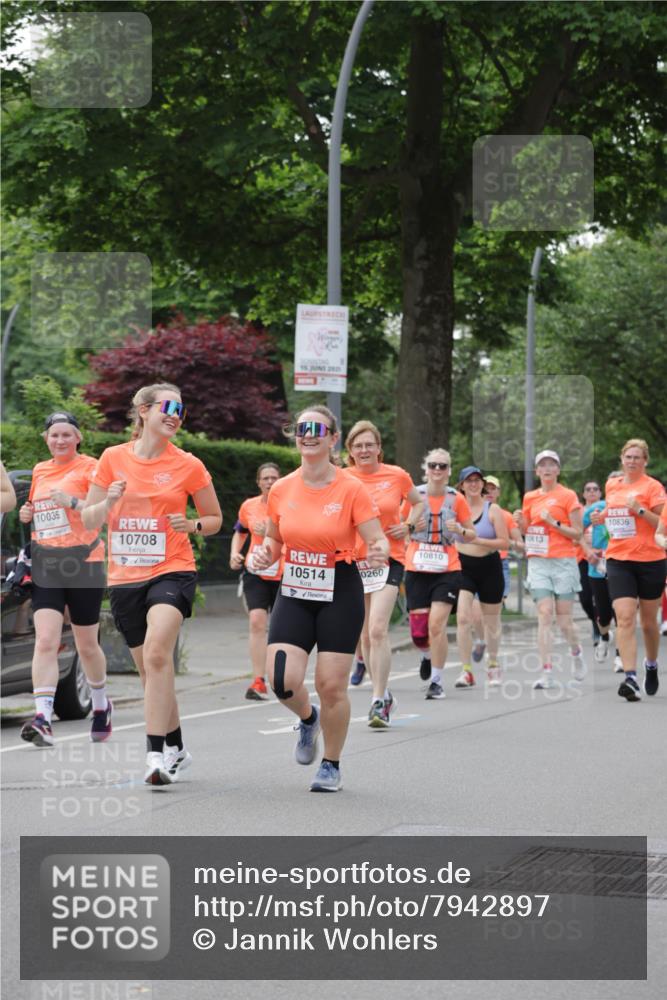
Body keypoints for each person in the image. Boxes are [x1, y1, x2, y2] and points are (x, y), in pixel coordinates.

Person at [83, 383, 222, 784]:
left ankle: (155, 757)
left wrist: (193, 524)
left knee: (160, 656)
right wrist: (108, 501)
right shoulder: (112, 459)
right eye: (168, 406)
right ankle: (178, 745)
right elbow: (90, 521)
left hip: (172, 569)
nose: (176, 414)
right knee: (151, 674)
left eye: (181, 408)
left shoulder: (189, 465)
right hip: (126, 577)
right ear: (143, 411)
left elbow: (214, 519)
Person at [252, 405, 388, 792]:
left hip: (339, 585)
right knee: (281, 680)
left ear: (332, 439)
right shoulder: (281, 488)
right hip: (295, 585)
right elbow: (274, 540)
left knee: (331, 685)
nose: (307, 434)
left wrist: (377, 548)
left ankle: (331, 763)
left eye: (317, 429)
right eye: (301, 428)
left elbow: (375, 535)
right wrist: (265, 553)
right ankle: (308, 719)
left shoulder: (351, 488)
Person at [18, 412, 109, 747]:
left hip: (84, 562)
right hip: (47, 564)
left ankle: (100, 705)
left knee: (86, 644)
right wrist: (28, 513)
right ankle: (43, 717)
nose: (60, 441)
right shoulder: (40, 470)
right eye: (54, 435)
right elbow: (37, 513)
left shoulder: (92, 467)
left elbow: (102, 512)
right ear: (46, 439)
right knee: (45, 641)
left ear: (78, 437)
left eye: (66, 435)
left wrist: (71, 501)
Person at [343, 420, 424, 727]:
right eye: (358, 446)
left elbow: (418, 504)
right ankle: (385, 692)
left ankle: (378, 700)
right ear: (350, 451)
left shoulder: (397, 475)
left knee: (378, 628)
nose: (364, 450)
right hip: (355, 562)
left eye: (369, 445)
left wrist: (409, 526)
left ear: (379, 448)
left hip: (390, 559)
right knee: (363, 633)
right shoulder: (343, 479)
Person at [590, 439, 665, 701]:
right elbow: (613, 513)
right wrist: (602, 518)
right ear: (622, 459)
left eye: (637, 457)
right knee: (623, 616)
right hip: (619, 558)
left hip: (651, 560)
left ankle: (651, 665)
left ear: (645, 461)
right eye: (628, 457)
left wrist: (641, 510)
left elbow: (662, 523)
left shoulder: (653, 488)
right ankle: (630, 677)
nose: (632, 461)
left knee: (647, 623)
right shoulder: (613, 485)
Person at [403, 449, 476, 701]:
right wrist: (412, 526)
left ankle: (436, 680)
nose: (437, 470)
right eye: (433, 465)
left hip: (447, 567)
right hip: (417, 567)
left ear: (449, 471)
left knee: (437, 625)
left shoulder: (457, 499)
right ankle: (426, 654)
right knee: (419, 633)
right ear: (425, 468)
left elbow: (472, 533)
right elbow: (399, 528)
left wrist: (460, 530)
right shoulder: (414, 495)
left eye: (442, 466)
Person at [514, 450, 585, 690]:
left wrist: (553, 523)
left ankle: (576, 652)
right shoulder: (529, 497)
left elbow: (577, 533)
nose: (546, 469)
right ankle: (547, 673)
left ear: (558, 470)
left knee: (564, 621)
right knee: (545, 614)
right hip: (538, 561)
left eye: (551, 465)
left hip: (563, 561)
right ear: (536, 471)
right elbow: (526, 528)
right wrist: (518, 521)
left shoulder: (568, 496)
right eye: (542, 465)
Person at [230, 463, 282, 700]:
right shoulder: (249, 506)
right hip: (255, 571)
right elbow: (240, 531)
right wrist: (235, 553)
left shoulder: (288, 503)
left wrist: (273, 530)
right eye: (265, 478)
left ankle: (282, 675)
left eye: (274, 478)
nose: (270, 482)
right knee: (257, 621)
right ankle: (258, 680)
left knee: (281, 628)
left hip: (283, 572)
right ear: (258, 482)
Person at [454, 466, 509, 687]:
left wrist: (478, 540)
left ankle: (493, 664)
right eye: (469, 481)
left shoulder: (492, 510)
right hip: (463, 566)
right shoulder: (455, 508)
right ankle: (466, 670)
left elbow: (504, 543)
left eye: (478, 480)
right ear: (462, 486)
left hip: (489, 566)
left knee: (491, 620)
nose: (474, 484)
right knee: (463, 618)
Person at [581, 476, 619, 668]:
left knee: (621, 611)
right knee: (603, 614)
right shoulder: (594, 509)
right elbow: (577, 532)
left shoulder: (627, 507)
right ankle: (604, 636)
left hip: (621, 563)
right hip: (597, 566)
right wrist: (588, 550)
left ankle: (620, 656)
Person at [576, 482, 604, 649]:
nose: (592, 492)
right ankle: (596, 622)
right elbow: (573, 535)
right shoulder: (578, 511)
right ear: (583, 494)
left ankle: (603, 626)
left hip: (604, 558)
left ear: (600, 492)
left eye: (595, 489)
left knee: (602, 597)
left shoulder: (606, 508)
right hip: (583, 558)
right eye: (588, 489)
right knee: (586, 598)